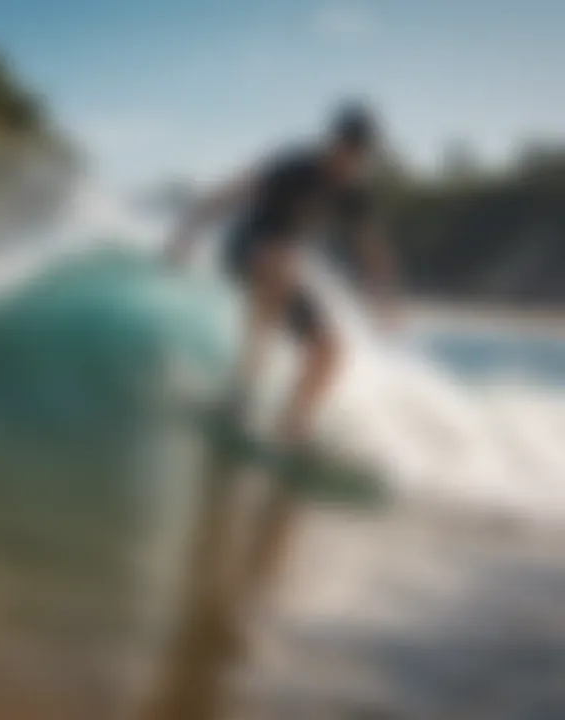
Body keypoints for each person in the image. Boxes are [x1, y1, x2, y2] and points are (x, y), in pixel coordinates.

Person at [165, 102, 399, 651]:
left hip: (280, 266)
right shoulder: (294, 166)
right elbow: (229, 195)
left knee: (330, 350)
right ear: (332, 142)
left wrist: (386, 298)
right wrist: (185, 234)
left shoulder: (354, 192)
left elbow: (369, 246)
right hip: (244, 252)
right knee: (276, 256)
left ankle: (292, 426)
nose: (350, 163)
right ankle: (242, 390)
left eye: (360, 156)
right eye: (346, 150)